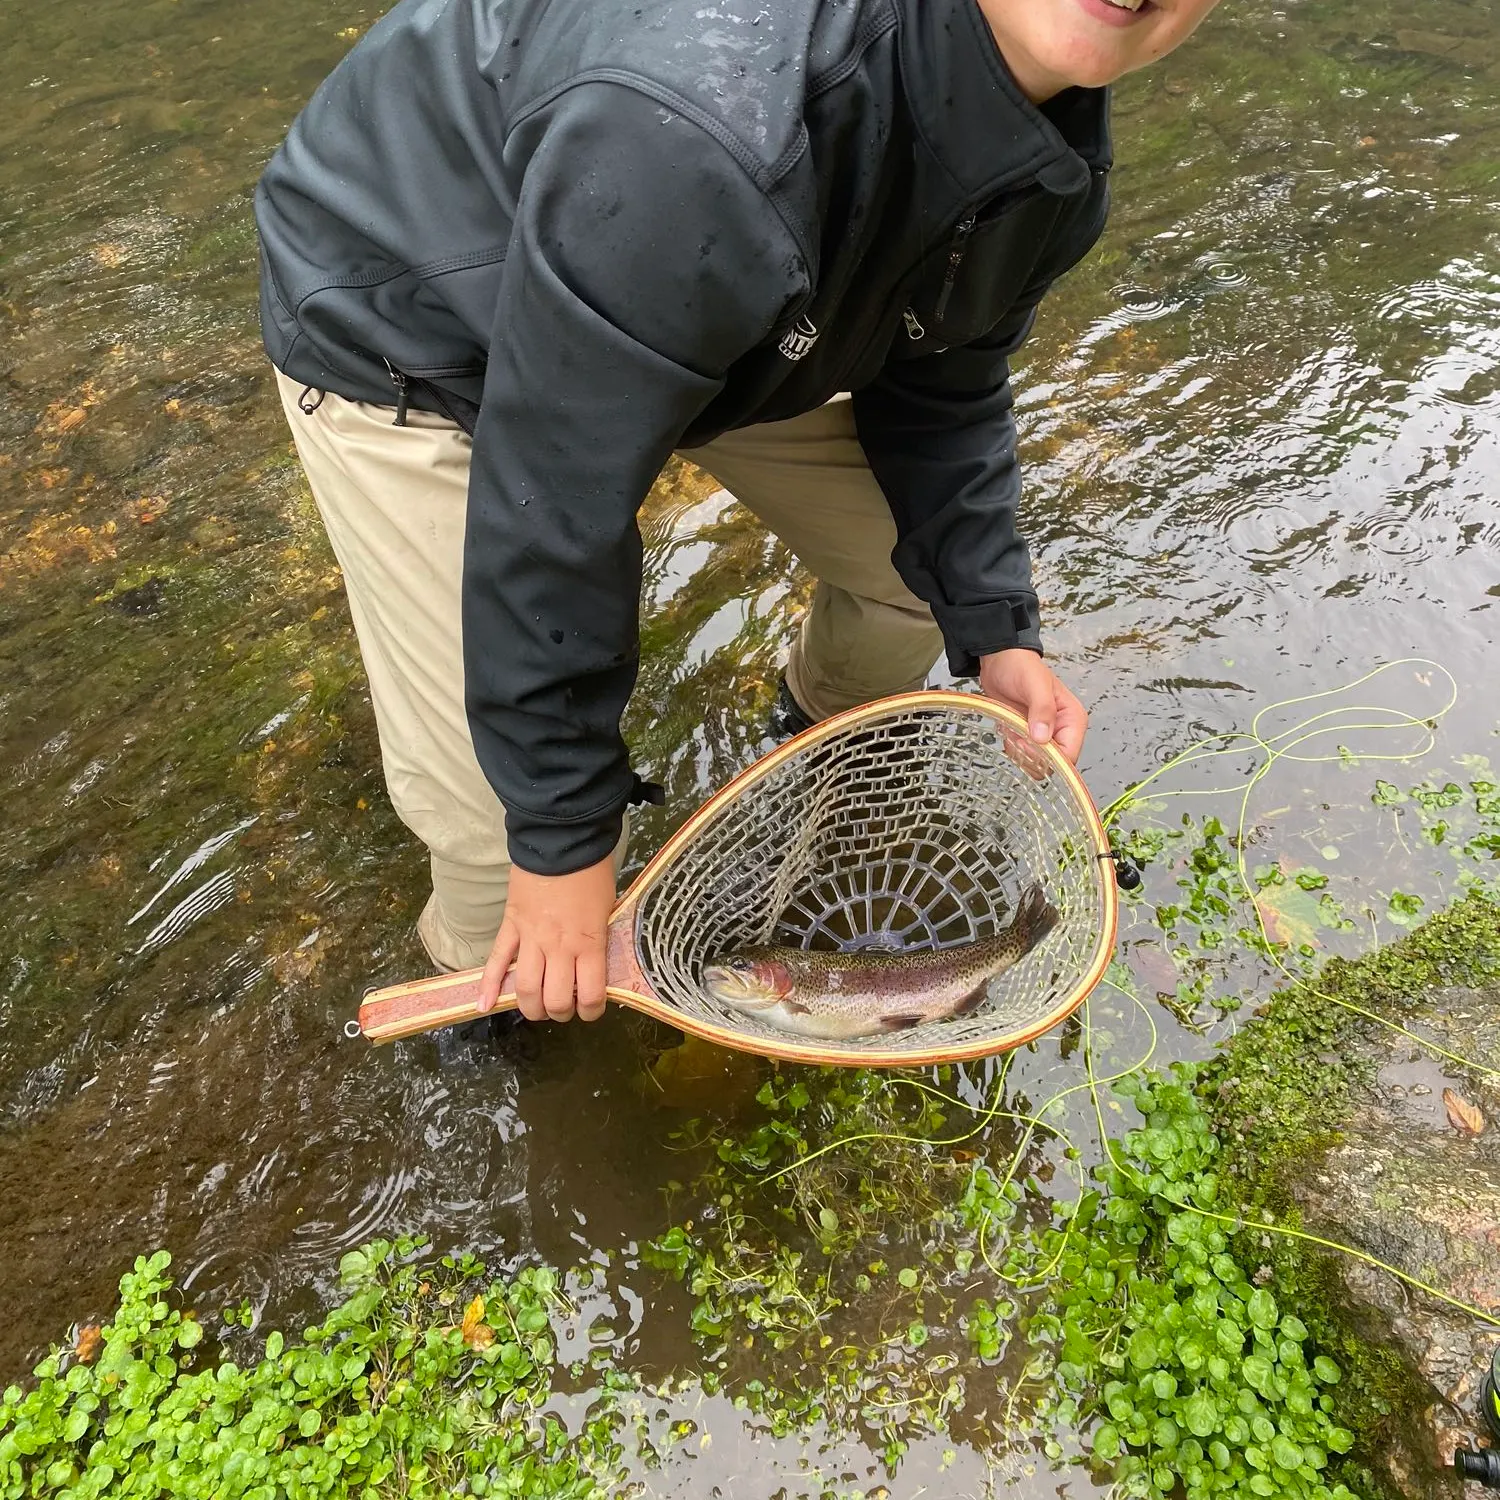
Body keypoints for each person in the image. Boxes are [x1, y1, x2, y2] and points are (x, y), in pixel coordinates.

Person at [255, 0, 1221, 1029]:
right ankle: (487, 1025)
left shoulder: (1052, 166)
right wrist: (562, 841)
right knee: (512, 830)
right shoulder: (704, 128)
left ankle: (811, 742)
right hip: (416, 313)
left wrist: (996, 631)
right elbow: (553, 503)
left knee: (914, 588)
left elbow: (945, 377)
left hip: (700, 297)